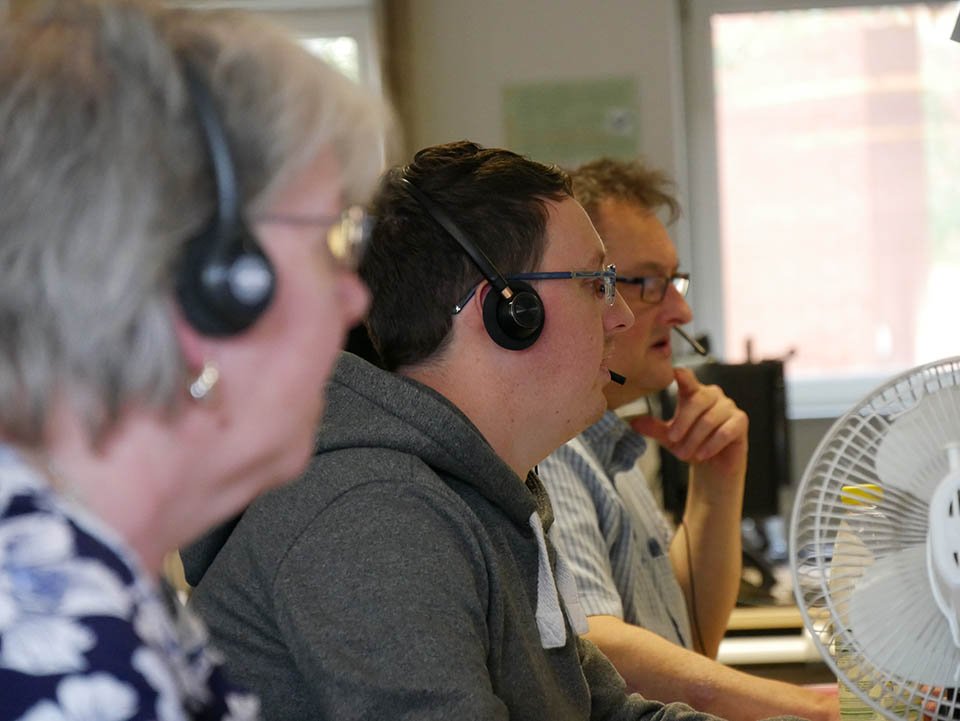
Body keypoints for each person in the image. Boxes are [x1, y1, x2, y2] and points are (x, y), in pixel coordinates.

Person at [182, 141, 804, 721]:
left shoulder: (483, 497)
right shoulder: (372, 512)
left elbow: (610, 715)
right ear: (508, 312)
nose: (618, 316)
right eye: (597, 285)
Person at [0, 1, 387, 718]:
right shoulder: (66, 654)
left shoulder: (92, 578)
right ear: (211, 282)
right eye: (332, 239)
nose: (356, 297)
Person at [538, 158, 840, 721]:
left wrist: (718, 480)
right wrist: (814, 709)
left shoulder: (614, 453)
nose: (681, 311)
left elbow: (689, 635)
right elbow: (593, 642)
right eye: (649, 284)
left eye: (673, 281)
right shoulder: (551, 449)